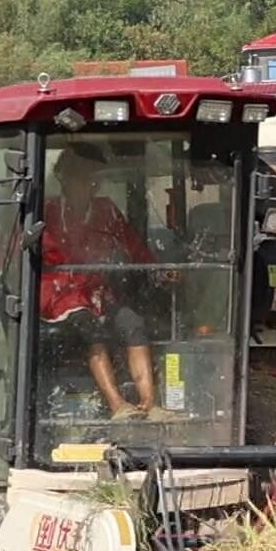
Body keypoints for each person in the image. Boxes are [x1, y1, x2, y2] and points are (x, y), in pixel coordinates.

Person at [41, 148, 171, 421]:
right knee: (93, 329)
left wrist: (159, 269)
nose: (90, 184)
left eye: (93, 179)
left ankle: (149, 404)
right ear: (64, 179)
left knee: (133, 324)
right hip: (58, 297)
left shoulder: (106, 210)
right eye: (82, 178)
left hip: (97, 294)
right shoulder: (46, 213)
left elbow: (134, 247)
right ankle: (117, 405)